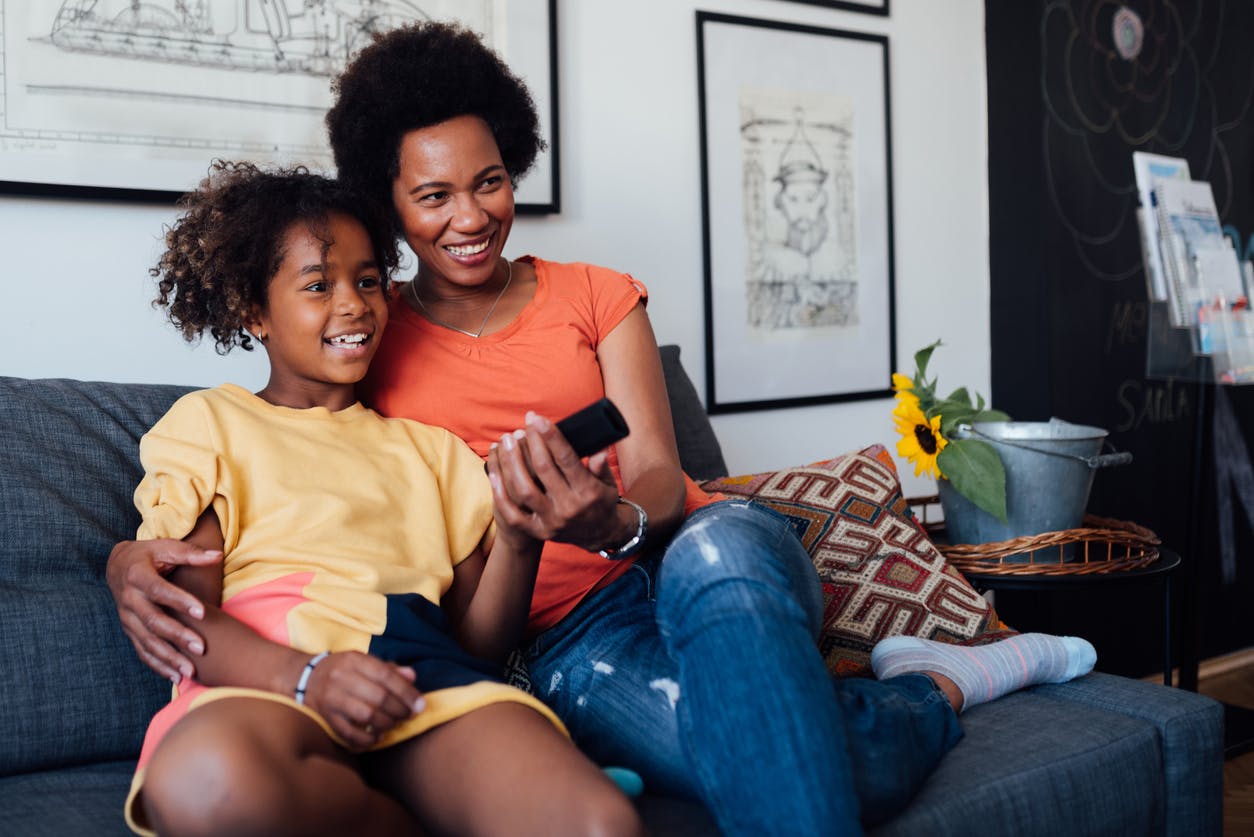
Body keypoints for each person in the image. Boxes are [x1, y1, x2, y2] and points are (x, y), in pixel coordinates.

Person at [109, 23, 1096, 836]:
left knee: (718, 552)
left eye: (488, 180)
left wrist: (609, 520)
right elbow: (295, 500)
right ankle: (931, 690)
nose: (470, 215)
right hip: (568, 636)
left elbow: (664, 479)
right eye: (433, 195)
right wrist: (129, 557)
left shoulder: (597, 296)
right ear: (392, 210)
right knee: (786, 756)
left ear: (515, 168)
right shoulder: (370, 340)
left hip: (694, 553)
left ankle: (884, 679)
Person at [120, 161, 642, 837]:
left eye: (369, 280)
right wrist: (311, 677)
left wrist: (519, 536)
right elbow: (185, 617)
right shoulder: (209, 425)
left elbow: (479, 645)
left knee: (599, 822)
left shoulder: (435, 453)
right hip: (264, 684)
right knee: (209, 785)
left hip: (425, 682)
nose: (354, 303)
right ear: (255, 311)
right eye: (318, 285)